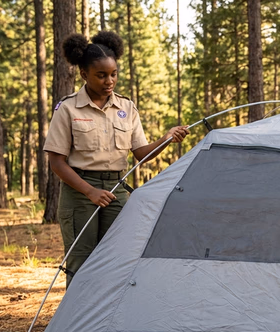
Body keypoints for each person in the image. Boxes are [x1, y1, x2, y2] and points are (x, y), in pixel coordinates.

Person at [44, 31, 189, 287]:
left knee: (117, 260)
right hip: (80, 193)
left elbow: (141, 154)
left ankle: (108, 326)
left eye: (113, 74)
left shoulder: (127, 108)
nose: (109, 81)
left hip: (117, 191)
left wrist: (166, 138)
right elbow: (57, 162)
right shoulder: (68, 109)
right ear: (84, 74)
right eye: (101, 75)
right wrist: (90, 192)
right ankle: (79, 327)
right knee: (81, 263)